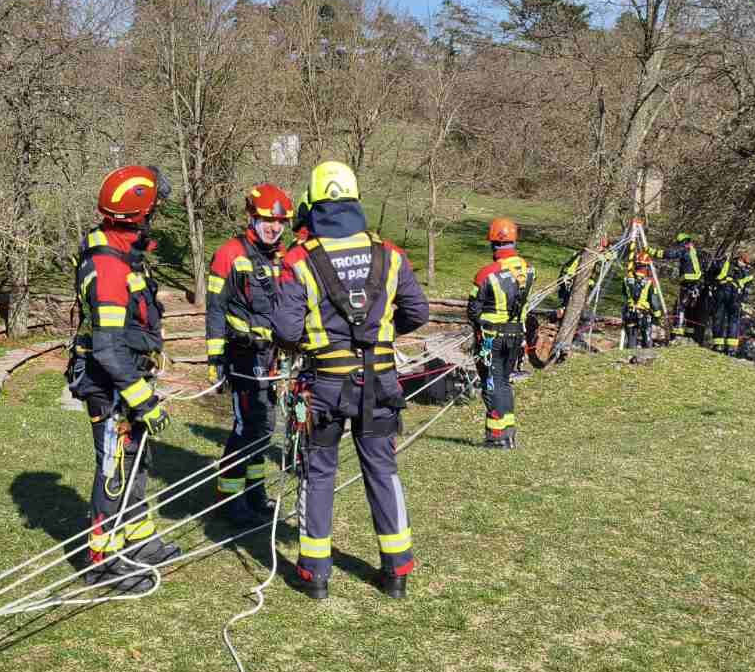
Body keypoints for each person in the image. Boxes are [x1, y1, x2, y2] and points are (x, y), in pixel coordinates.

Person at [271, 161, 429, 600]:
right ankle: (397, 571)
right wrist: (382, 334)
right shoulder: (389, 254)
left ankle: (315, 575)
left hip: (325, 386)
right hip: (380, 384)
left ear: (312, 202)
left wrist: (315, 341)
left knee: (318, 473)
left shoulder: (299, 260)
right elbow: (418, 311)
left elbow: (285, 330)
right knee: (382, 470)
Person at [66, 165, 175, 594]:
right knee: (113, 468)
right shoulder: (109, 267)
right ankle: (103, 562)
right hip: (108, 385)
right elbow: (108, 349)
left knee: (136, 460)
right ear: (139, 215)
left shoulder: (122, 250)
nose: (156, 216)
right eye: (154, 210)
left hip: (127, 376)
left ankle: (139, 539)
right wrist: (143, 400)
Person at [206, 183, 293, 516]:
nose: (274, 227)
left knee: (265, 425)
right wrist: (215, 358)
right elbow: (215, 308)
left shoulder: (281, 258)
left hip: (271, 355)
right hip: (241, 352)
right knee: (247, 425)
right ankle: (229, 499)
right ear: (252, 217)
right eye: (268, 220)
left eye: (280, 222)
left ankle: (254, 492)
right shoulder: (229, 254)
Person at [467, 217, 535, 448]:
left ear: (493, 243)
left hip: (491, 340)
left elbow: (473, 311)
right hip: (516, 336)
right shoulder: (528, 270)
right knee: (504, 382)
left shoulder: (486, 274)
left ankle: (497, 437)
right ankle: (508, 434)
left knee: (492, 385)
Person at [660, 232, 703, 341]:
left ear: (684, 242)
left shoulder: (685, 251)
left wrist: (653, 252)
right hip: (696, 284)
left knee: (680, 307)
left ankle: (677, 333)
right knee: (691, 310)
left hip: (688, 283)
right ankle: (691, 335)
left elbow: (670, 254)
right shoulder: (696, 252)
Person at [622, 252, 666, 349]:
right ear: (646, 266)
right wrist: (658, 316)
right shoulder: (649, 282)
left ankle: (630, 355)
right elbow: (654, 300)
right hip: (644, 314)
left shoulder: (626, 279)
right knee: (647, 338)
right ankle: (647, 355)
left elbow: (624, 295)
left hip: (629, 313)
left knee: (631, 339)